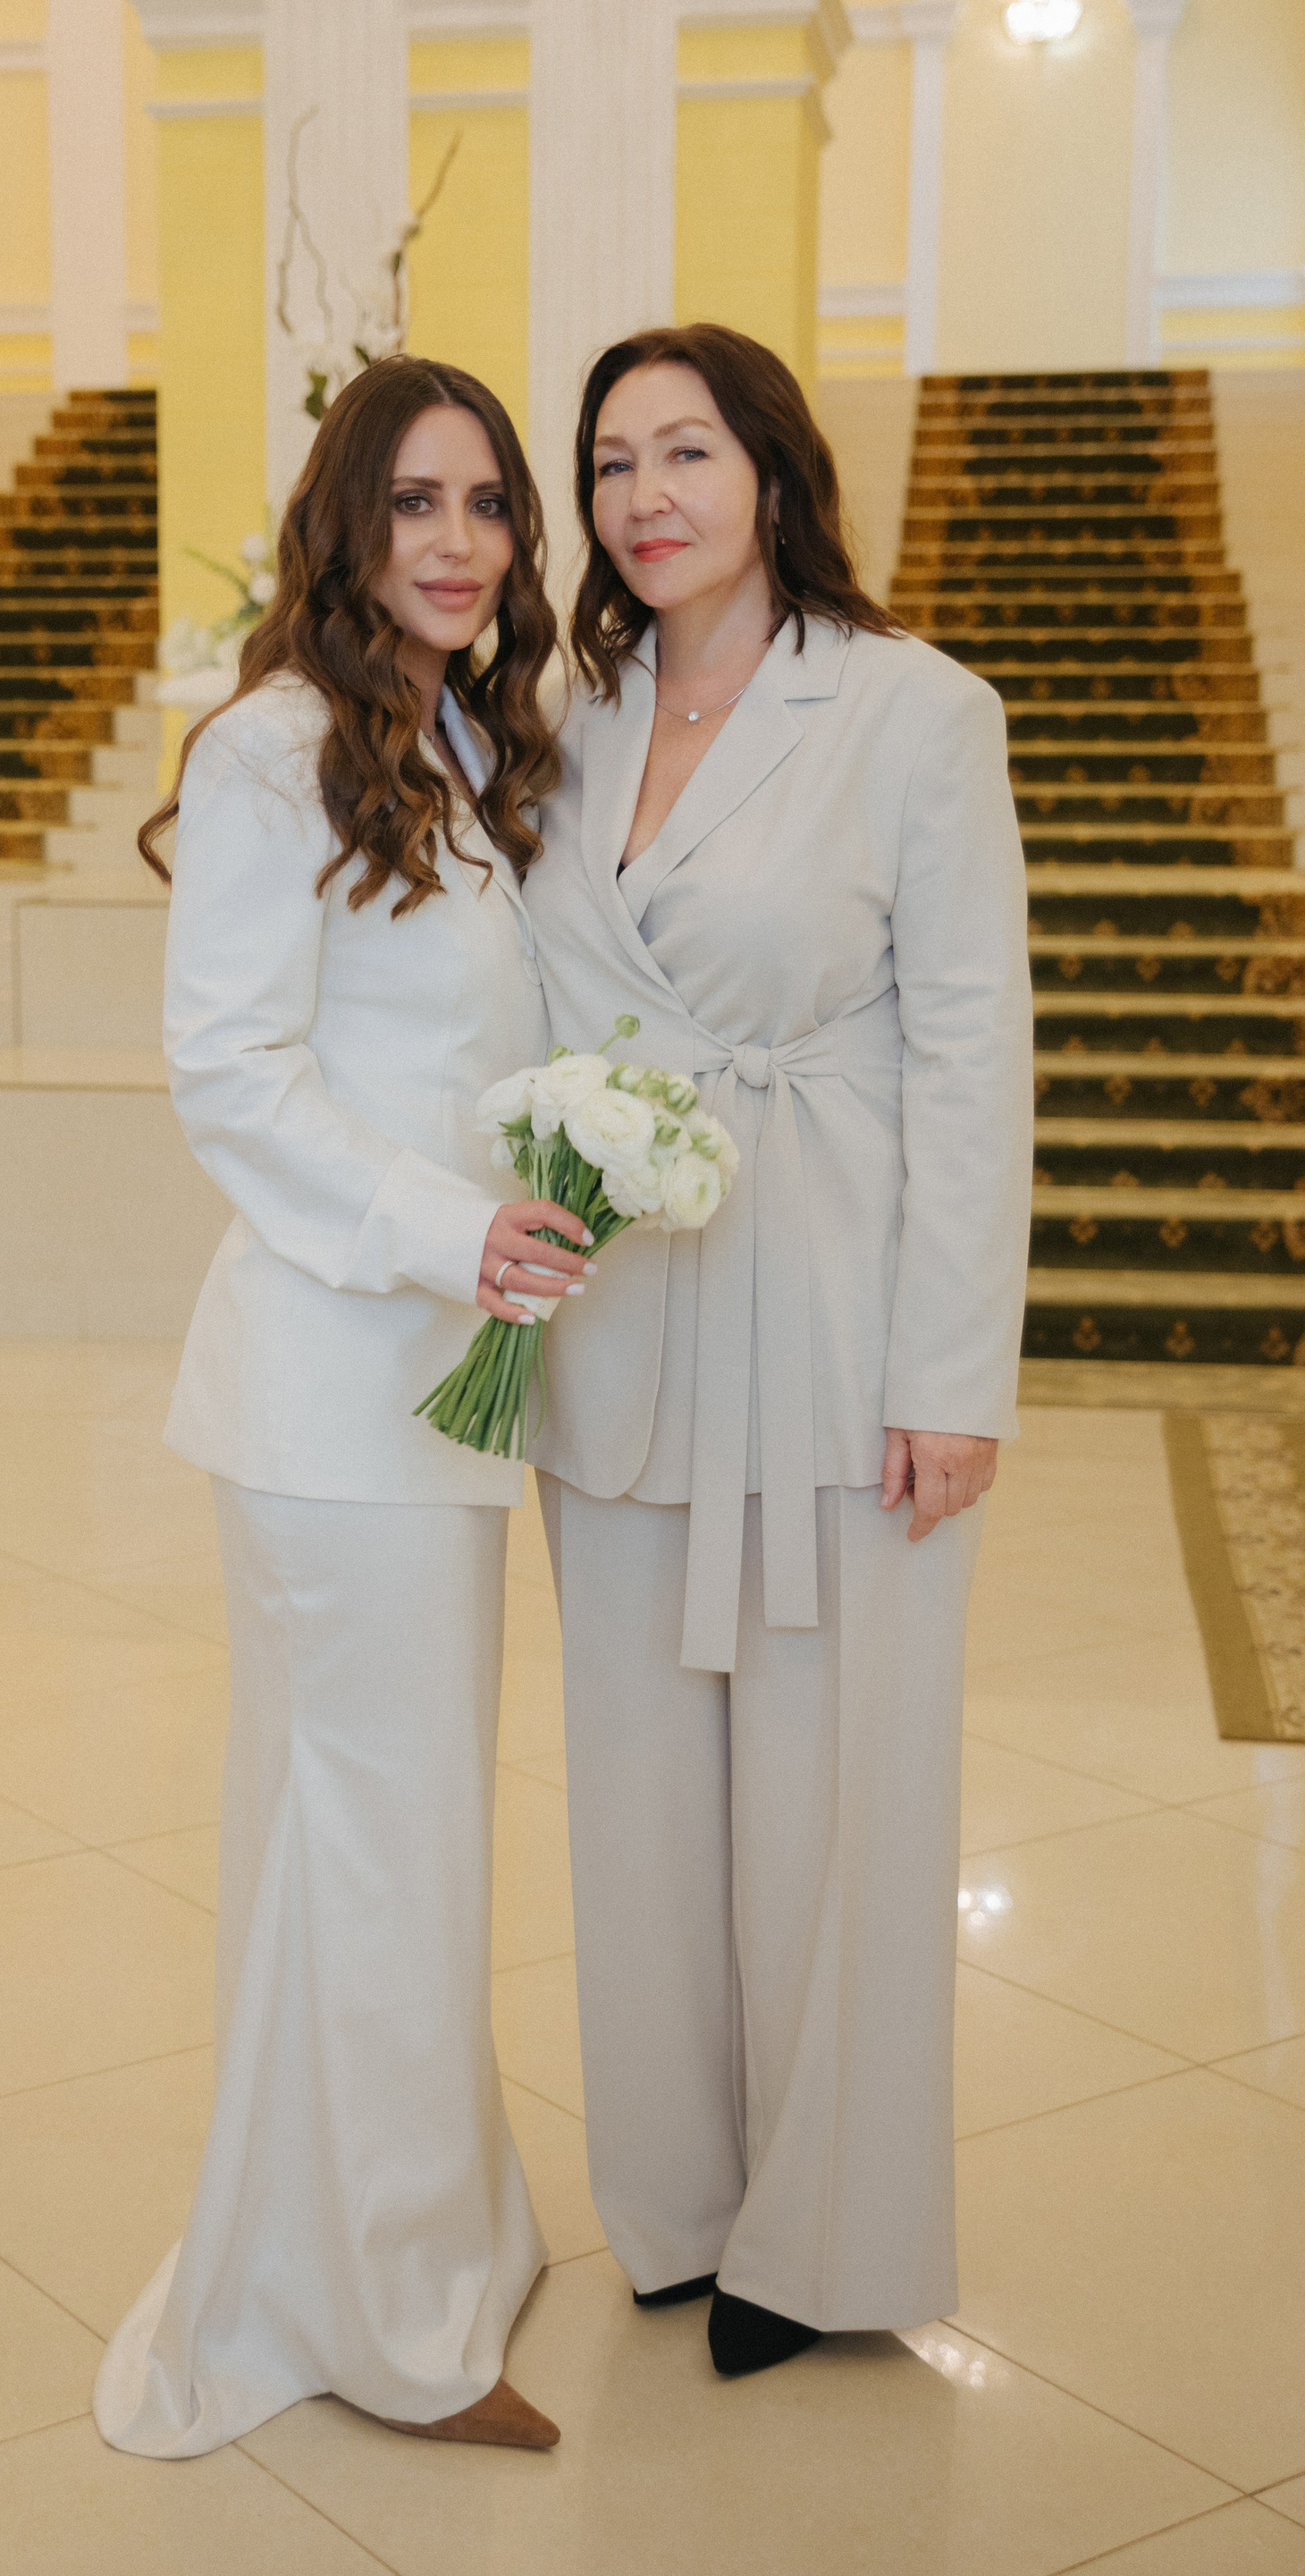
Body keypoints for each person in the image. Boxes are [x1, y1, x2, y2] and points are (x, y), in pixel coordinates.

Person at [92, 356, 593, 2461]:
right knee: (373, 1848)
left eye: (487, 502)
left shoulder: (459, 736)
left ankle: (419, 2231)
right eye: (414, 502)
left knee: (387, 1840)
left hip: (436, 1396)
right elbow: (232, 1073)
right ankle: (391, 2328)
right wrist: (449, 1230)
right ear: (344, 523)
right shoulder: (274, 747)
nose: (457, 541)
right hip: (329, 1396)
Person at [522, 323, 1031, 2380]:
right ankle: (676, 2198)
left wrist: (952, 1375)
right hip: (626, 1322)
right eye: (611, 461)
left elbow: (976, 1052)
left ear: (773, 470)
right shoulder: (567, 719)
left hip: (832, 1314)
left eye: (686, 451)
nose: (645, 496)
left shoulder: (914, 709)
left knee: (839, 1802)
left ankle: (825, 2239)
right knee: (639, 1796)